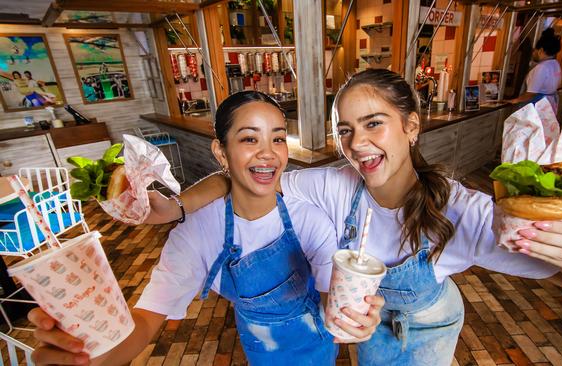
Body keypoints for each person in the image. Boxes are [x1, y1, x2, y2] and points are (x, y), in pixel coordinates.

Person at [120, 70, 562, 365]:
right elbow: (250, 177)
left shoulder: (461, 211)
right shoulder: (336, 183)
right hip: (369, 331)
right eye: (346, 130)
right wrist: (176, 206)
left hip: (428, 327)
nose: (357, 145)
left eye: (374, 124)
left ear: (411, 126)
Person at [27, 91, 383, 366]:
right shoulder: (202, 229)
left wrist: (353, 316)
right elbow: (147, 320)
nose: (268, 154)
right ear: (221, 152)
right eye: (248, 139)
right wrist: (93, 350)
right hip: (260, 345)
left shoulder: (309, 219)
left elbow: (328, 300)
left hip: (315, 343)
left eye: (277, 138)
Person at [510, 28, 562, 113]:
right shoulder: (555, 64)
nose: (533, 53)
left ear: (540, 51)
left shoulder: (541, 68)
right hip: (549, 104)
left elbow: (531, 94)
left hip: (537, 106)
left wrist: (516, 100)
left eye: (535, 50)